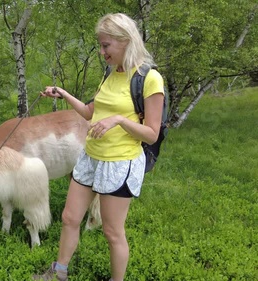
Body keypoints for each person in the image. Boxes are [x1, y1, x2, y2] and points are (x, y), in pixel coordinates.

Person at [32, 13, 165, 281]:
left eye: (106, 46)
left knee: (112, 232)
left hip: (120, 163)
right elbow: (89, 112)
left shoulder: (149, 79)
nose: (102, 51)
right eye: (100, 45)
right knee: (70, 217)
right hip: (91, 158)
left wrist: (118, 120)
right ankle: (59, 273)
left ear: (125, 41)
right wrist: (64, 93)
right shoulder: (110, 73)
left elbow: (151, 134)